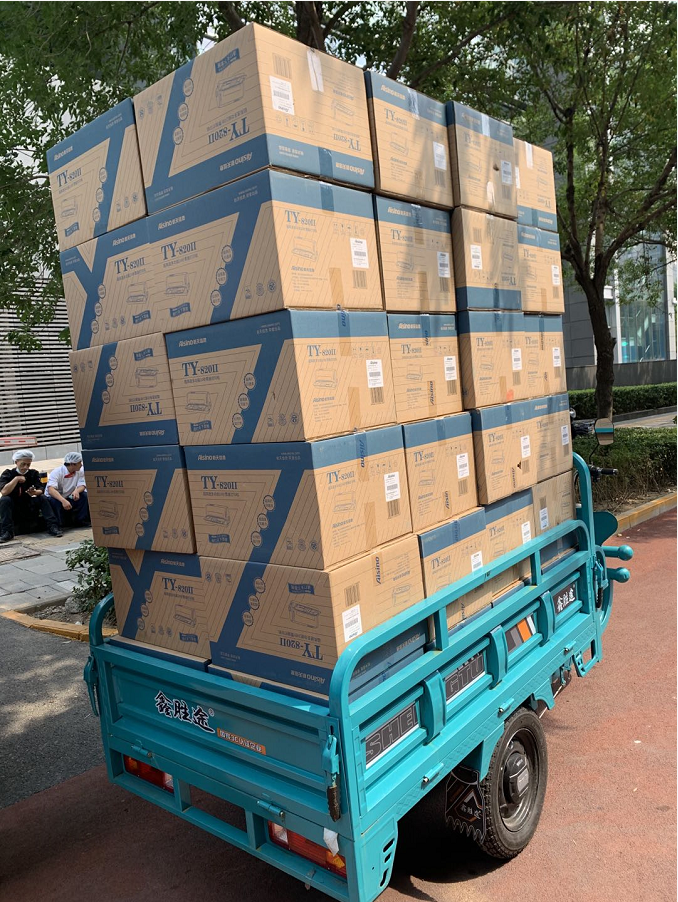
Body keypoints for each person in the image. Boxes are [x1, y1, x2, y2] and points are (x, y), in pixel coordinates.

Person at [0, 449, 63, 543]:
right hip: (14, 505)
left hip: (29, 504)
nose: (25, 467)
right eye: (23, 464)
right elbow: (4, 491)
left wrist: (35, 492)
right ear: (16, 462)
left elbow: (41, 489)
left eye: (28, 464)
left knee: (42, 498)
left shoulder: (33, 473)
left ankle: (52, 526)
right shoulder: (8, 473)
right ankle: (7, 532)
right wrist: (16, 479)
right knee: (5, 499)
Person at [46, 451, 91, 530]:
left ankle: (81, 520)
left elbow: (82, 484)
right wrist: (63, 500)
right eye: (79, 463)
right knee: (54, 501)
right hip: (56, 497)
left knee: (84, 496)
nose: (81, 465)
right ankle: (57, 525)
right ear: (72, 464)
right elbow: (51, 490)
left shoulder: (80, 471)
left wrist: (77, 491)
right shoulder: (57, 472)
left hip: (68, 495)